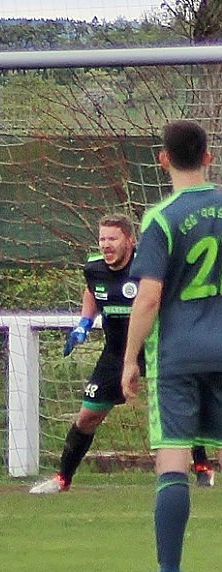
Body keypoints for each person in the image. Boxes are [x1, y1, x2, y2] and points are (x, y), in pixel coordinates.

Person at [30, 215, 214, 494]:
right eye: (102, 239)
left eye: (112, 238)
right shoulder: (93, 268)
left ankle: (202, 467)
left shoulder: (150, 266)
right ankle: (62, 480)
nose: (106, 244)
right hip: (116, 352)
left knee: (179, 407)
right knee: (87, 416)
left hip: (159, 347)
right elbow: (92, 292)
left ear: (129, 240)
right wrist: (83, 324)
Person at [122, 120, 222, 572]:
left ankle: (169, 570)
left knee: (173, 461)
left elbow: (149, 297)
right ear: (208, 157)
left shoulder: (161, 218)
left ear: (163, 159)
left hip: (178, 355)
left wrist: (130, 358)